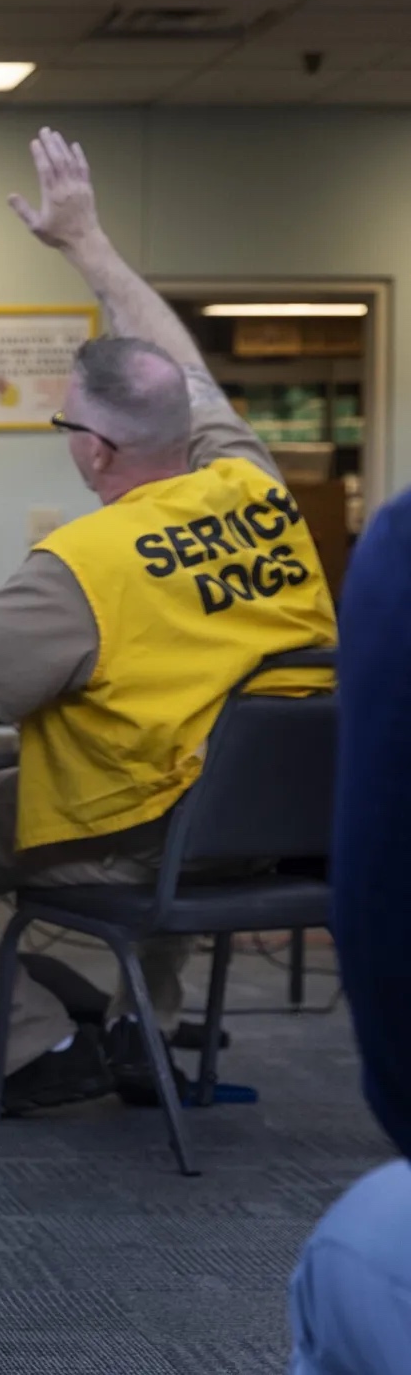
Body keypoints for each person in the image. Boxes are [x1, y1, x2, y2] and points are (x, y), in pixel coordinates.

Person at [0, 130, 338, 1115]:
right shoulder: (258, 485)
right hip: (258, 825)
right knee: (161, 763)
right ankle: (140, 1033)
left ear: (99, 453)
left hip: (142, 829)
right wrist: (88, 244)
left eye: (67, 425)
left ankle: (36, 1043)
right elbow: (181, 368)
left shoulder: (83, 566)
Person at [286, 486, 411, 1374]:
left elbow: (382, 916)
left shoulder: (402, 552)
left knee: (360, 1247)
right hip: (235, 848)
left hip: (122, 846)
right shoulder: (274, 533)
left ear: (91, 448)